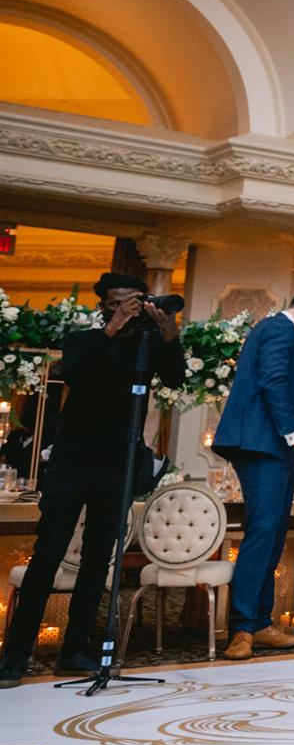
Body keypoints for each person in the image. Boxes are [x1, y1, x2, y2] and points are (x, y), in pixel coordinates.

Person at [0, 273, 184, 687]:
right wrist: (113, 328)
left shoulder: (146, 345)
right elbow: (77, 374)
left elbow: (175, 378)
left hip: (117, 465)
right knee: (47, 557)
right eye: (118, 303)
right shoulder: (83, 340)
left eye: (133, 302)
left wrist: (168, 333)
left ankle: (75, 649)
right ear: (103, 306)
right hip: (72, 462)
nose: (127, 310)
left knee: (98, 561)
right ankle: (15, 655)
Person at [212, 290, 294, 660]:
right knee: (263, 532)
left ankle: (260, 623)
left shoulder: (272, 329)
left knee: (273, 533)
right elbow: (274, 381)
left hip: (270, 446)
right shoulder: (281, 329)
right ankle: (243, 628)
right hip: (261, 443)